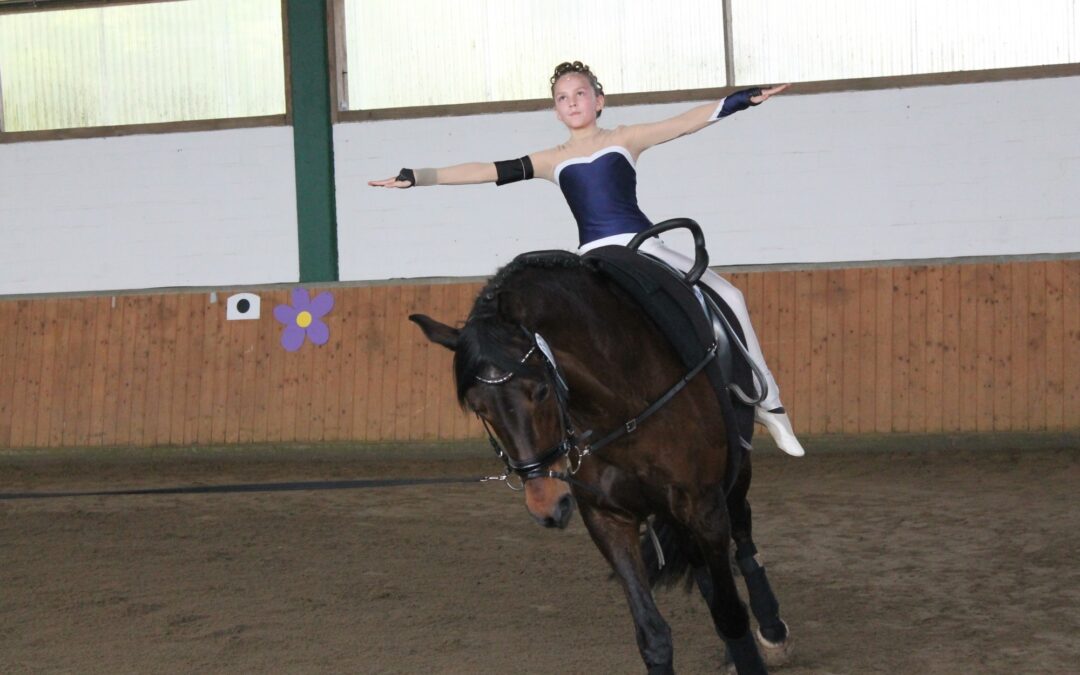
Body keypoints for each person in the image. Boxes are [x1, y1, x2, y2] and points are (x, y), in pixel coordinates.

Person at [369, 61, 805, 457]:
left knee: (730, 294)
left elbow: (685, 122)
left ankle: (770, 404)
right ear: (556, 112)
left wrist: (739, 100)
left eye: (579, 94)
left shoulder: (625, 139)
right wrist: (419, 177)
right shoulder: (549, 160)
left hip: (643, 245)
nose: (571, 102)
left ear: (598, 101)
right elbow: (485, 169)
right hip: (592, 258)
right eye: (562, 98)